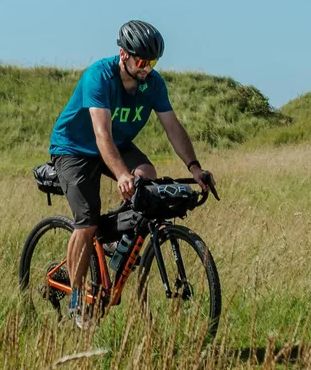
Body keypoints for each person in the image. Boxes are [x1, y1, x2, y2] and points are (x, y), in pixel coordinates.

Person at [48, 19, 214, 329]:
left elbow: (173, 127)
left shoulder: (154, 84)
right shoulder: (99, 76)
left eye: (152, 61)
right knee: (86, 220)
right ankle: (75, 304)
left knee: (148, 176)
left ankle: (112, 239)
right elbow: (101, 133)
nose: (147, 67)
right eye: (141, 60)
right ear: (123, 54)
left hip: (118, 144)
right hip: (74, 148)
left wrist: (194, 167)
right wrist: (122, 174)